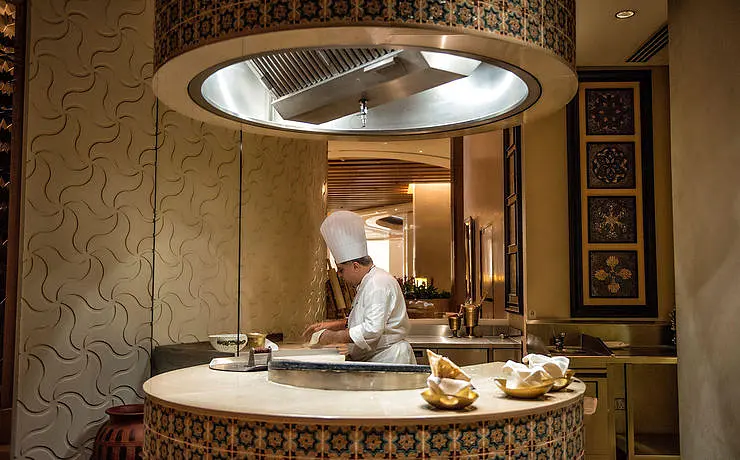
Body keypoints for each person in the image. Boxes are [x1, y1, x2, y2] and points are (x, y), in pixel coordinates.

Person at [303, 211, 416, 364]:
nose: (340, 275)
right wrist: (333, 325)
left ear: (355, 266)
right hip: (377, 357)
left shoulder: (377, 284)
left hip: (389, 358)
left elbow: (372, 329)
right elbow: (365, 319)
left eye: (341, 270)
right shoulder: (367, 282)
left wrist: (333, 337)